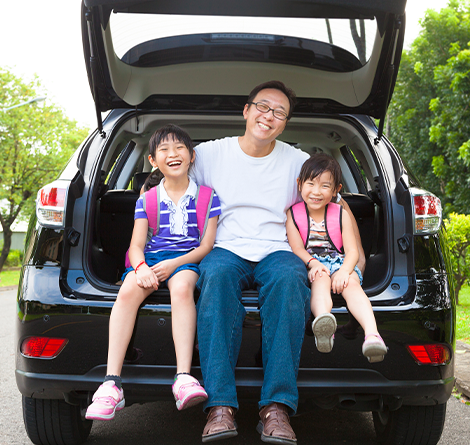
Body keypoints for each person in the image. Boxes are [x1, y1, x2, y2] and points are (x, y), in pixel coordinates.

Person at [190, 81, 364, 444]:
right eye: (263, 107)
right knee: (216, 278)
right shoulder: (208, 155)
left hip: (280, 248)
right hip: (225, 246)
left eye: (279, 112)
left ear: (285, 123)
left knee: (288, 282)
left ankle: (277, 408)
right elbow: (175, 183)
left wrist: (353, 252)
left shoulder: (297, 162)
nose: (269, 116)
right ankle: (220, 407)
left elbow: (333, 197)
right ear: (247, 110)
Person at [86, 124, 221, 421]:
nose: (172, 154)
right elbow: (135, 246)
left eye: (179, 148)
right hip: (152, 260)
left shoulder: (209, 197)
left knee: (182, 288)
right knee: (128, 291)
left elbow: (207, 246)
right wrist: (141, 267)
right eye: (164, 150)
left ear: (192, 156)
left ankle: (183, 377)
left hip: (187, 260)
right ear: (153, 161)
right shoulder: (146, 200)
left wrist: (174, 264)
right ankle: (111, 383)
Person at [286, 153, 387, 363]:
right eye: (310, 184)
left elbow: (352, 252)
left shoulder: (340, 214)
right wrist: (313, 264)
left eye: (325, 186)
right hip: (313, 264)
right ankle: (324, 323)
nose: (316, 192)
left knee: (351, 285)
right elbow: (296, 247)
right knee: (319, 281)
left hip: (340, 263)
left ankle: (372, 335)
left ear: (336, 191)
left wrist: (344, 271)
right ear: (299, 184)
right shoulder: (293, 214)